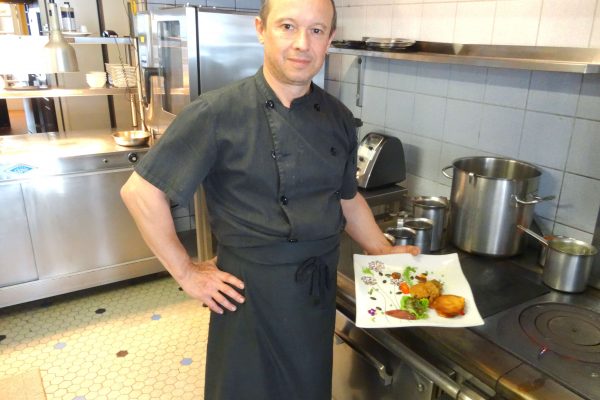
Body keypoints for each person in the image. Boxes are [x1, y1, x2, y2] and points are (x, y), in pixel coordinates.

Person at [120, 0, 419, 398]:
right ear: (261, 30)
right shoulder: (216, 112)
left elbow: (347, 200)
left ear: (329, 39)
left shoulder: (339, 119)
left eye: (316, 30)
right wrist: (186, 272)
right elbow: (141, 191)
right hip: (251, 295)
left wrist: (382, 250)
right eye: (287, 26)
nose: (302, 44)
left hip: (315, 291)